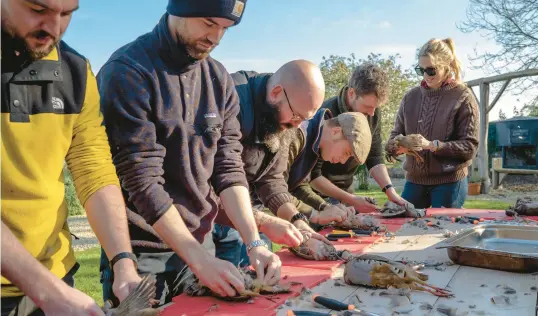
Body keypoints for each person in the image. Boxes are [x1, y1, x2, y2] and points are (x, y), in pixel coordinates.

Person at [97, 0, 281, 307]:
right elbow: (142, 182)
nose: (216, 38)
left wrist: (254, 242)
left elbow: (229, 168)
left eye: (225, 29)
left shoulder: (218, 79)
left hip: (200, 244)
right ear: (178, 9)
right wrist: (198, 260)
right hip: (141, 255)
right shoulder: (128, 72)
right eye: (209, 23)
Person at [1, 0, 142, 315]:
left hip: (54, 277)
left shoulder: (76, 71)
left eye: (66, 14)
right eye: (38, 10)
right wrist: (47, 291)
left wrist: (122, 260)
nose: (53, 29)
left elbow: (94, 169)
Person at [213, 64, 352, 267]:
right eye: (296, 116)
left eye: (305, 120)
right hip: (194, 218)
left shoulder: (285, 117)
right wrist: (263, 223)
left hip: (241, 214)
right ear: (276, 92)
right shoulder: (229, 101)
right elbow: (215, 179)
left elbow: (272, 180)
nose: (297, 125)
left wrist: (297, 220)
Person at [385, 38, 480, 209]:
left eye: (431, 70)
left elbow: (469, 147)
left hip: (450, 181)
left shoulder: (463, 96)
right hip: (414, 181)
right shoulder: (410, 97)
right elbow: (394, 136)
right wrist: (398, 146)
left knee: (442, 232)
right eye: (420, 70)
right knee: (402, 227)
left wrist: (432, 145)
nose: (425, 75)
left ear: (447, 66)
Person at [306, 62, 406, 212]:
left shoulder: (372, 113)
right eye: (368, 107)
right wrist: (349, 200)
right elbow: (313, 175)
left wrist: (390, 191)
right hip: (316, 194)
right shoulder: (325, 116)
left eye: (376, 107)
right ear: (352, 93)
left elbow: (374, 155)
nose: (372, 113)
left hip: (346, 190)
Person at [286, 110, 373, 223]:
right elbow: (276, 187)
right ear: (336, 132)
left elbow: (297, 186)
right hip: (256, 210)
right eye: (346, 152)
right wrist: (315, 215)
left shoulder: (314, 142)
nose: (343, 161)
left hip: (259, 211)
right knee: (260, 241)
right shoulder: (298, 134)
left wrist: (325, 207)